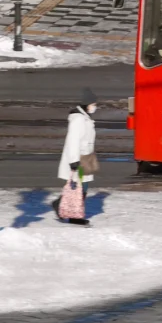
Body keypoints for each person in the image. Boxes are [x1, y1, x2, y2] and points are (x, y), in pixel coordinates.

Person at [55, 90, 98, 225]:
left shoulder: (85, 118)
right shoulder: (79, 120)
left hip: (86, 157)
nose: (95, 106)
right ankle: (74, 215)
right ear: (86, 104)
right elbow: (73, 141)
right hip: (79, 158)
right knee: (81, 186)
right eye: (93, 104)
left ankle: (70, 211)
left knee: (82, 185)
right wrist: (74, 160)